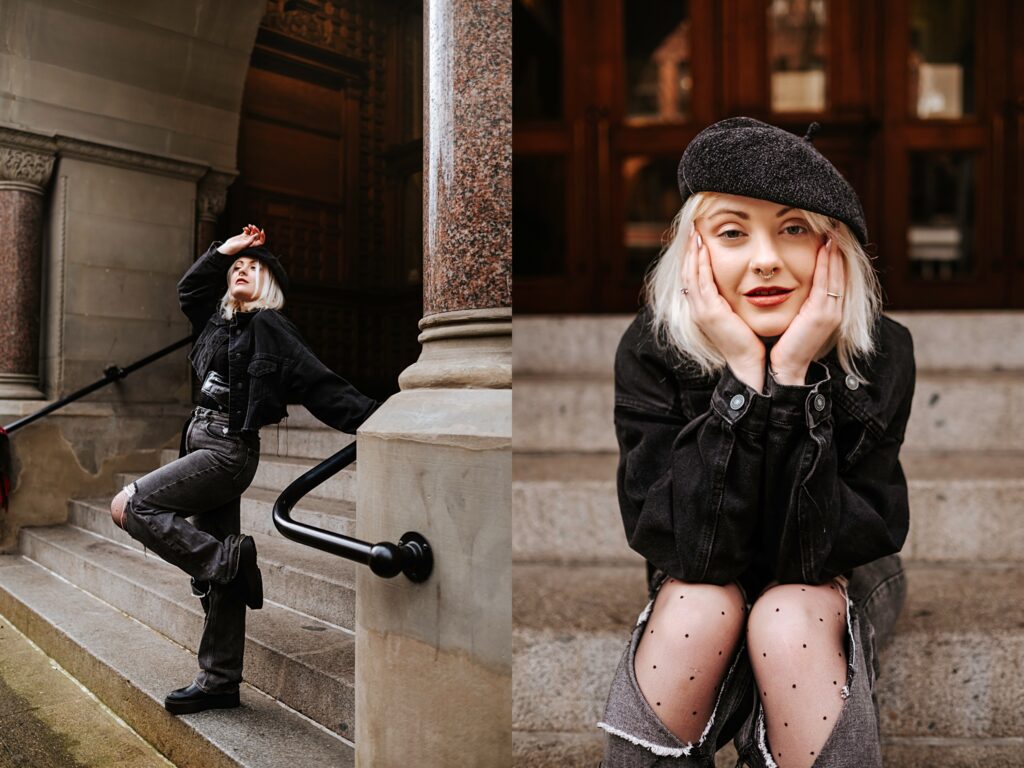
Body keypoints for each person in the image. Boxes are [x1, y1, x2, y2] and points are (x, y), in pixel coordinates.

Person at [599, 118, 915, 768]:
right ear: (696, 250)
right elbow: (690, 553)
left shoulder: (879, 352)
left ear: (834, 248)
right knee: (698, 605)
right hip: (705, 578)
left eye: (794, 228)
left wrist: (794, 376)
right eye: (734, 232)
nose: (765, 258)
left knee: (787, 618)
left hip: (836, 579)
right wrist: (745, 380)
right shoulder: (652, 351)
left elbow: (817, 559)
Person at [108, 225, 378, 715]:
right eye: (236, 268)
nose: (241, 271)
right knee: (221, 577)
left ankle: (228, 566)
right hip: (201, 442)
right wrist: (224, 250)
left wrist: (383, 420)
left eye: (253, 267)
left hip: (227, 453)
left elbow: (321, 384)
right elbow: (188, 290)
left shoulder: (271, 327)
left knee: (130, 504)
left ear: (269, 283)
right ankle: (219, 680)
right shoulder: (215, 323)